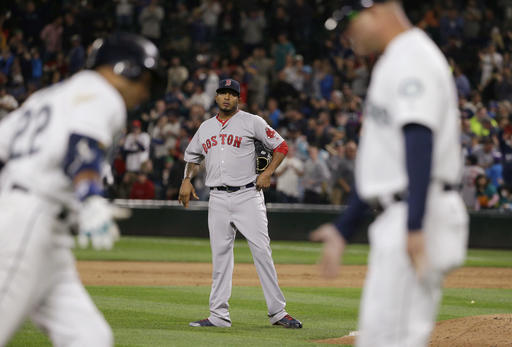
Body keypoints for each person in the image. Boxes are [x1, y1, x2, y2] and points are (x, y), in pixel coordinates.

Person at [310, 2, 469, 346]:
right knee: (383, 337)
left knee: (394, 339)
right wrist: (344, 228)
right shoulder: (394, 60)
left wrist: (415, 225)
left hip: (415, 212)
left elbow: (419, 140)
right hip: (399, 213)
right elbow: (381, 163)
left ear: (377, 10)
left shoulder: (413, 57)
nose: (347, 35)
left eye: (351, 23)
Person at [0, 32, 164, 346]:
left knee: (90, 338)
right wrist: (89, 197)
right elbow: (83, 145)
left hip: (41, 229)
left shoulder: (49, 96)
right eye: (144, 80)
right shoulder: (104, 95)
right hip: (30, 220)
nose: (145, 91)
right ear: (124, 69)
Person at [179, 79, 302, 329]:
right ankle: (218, 316)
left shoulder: (252, 122)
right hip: (218, 198)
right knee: (221, 256)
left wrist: (268, 172)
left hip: (248, 195)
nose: (227, 97)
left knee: (261, 252)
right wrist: (186, 179)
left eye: (232, 94)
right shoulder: (205, 127)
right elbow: (192, 156)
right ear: (216, 98)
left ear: (239, 98)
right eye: (223, 93)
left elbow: (281, 146)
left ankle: (278, 312)